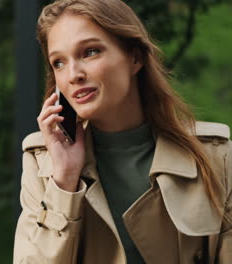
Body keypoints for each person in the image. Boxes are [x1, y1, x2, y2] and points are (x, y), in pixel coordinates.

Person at [13, 0, 232, 263]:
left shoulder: (215, 157)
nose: (73, 74)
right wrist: (64, 182)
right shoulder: (43, 163)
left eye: (90, 52)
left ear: (135, 57)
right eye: (58, 62)